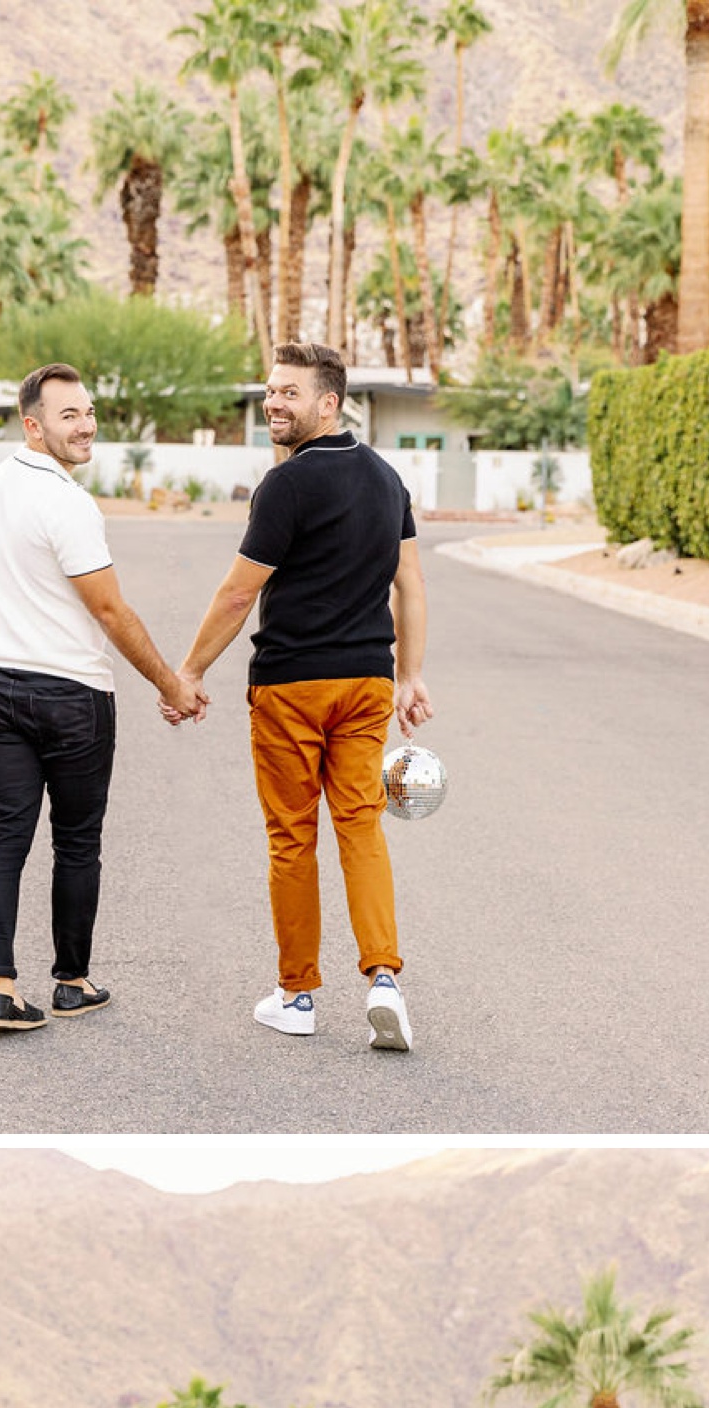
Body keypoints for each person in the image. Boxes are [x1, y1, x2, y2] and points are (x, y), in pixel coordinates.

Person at [0, 364, 203, 1034]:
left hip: (2, 688)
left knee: (6, 832)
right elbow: (110, 611)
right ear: (32, 425)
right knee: (75, 842)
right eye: (69, 414)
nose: (86, 423)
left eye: (89, 410)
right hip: (71, 696)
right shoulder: (67, 502)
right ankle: (71, 981)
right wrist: (171, 683)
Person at [169, 343, 433, 1053]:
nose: (274, 403)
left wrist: (188, 672)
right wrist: (409, 675)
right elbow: (408, 586)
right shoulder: (386, 480)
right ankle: (384, 980)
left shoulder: (285, 486)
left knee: (293, 838)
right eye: (271, 391)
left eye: (290, 392)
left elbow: (237, 593)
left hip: (291, 687)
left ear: (329, 402)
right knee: (361, 828)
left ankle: (298, 995)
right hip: (368, 683)